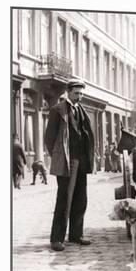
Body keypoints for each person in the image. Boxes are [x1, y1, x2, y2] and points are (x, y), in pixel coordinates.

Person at [44, 80, 95, 251]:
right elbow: (49, 139)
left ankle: (76, 235)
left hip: (81, 161)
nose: (79, 97)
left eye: (81, 94)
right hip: (67, 161)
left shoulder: (81, 110)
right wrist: (58, 156)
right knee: (64, 199)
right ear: (68, 92)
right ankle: (56, 239)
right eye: (76, 93)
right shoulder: (57, 110)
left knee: (81, 199)